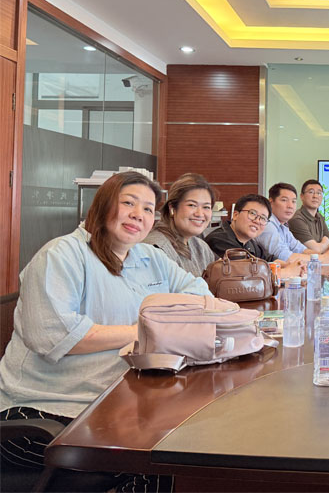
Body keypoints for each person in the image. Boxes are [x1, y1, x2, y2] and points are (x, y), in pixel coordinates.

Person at [0, 171, 211, 489]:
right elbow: (58, 337)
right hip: (40, 412)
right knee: (156, 461)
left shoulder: (149, 257)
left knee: (183, 445)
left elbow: (200, 295)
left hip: (113, 406)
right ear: (102, 205)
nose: (138, 214)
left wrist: (163, 319)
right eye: (128, 203)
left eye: (148, 209)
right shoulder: (61, 255)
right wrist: (145, 330)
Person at [143, 173, 217, 277]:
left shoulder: (201, 247)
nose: (200, 214)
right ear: (172, 208)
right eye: (192, 205)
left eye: (206, 207)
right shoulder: (156, 247)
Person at [256, 183, 329, 265]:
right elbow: (285, 257)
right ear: (271, 202)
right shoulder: (267, 224)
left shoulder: (283, 226)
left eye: (293, 201)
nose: (290, 206)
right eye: (284, 200)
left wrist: (325, 256)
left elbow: (301, 249)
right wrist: (324, 258)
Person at [204, 193, 274, 261]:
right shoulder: (219, 240)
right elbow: (244, 267)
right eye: (252, 213)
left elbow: (270, 259)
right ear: (235, 215)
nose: (257, 221)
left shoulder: (249, 243)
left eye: (263, 218)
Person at [288, 179, 329, 253]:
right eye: (311, 192)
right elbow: (316, 250)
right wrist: (325, 240)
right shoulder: (297, 219)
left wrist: (323, 245)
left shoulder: (319, 217)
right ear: (302, 196)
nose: (315, 196)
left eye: (319, 193)